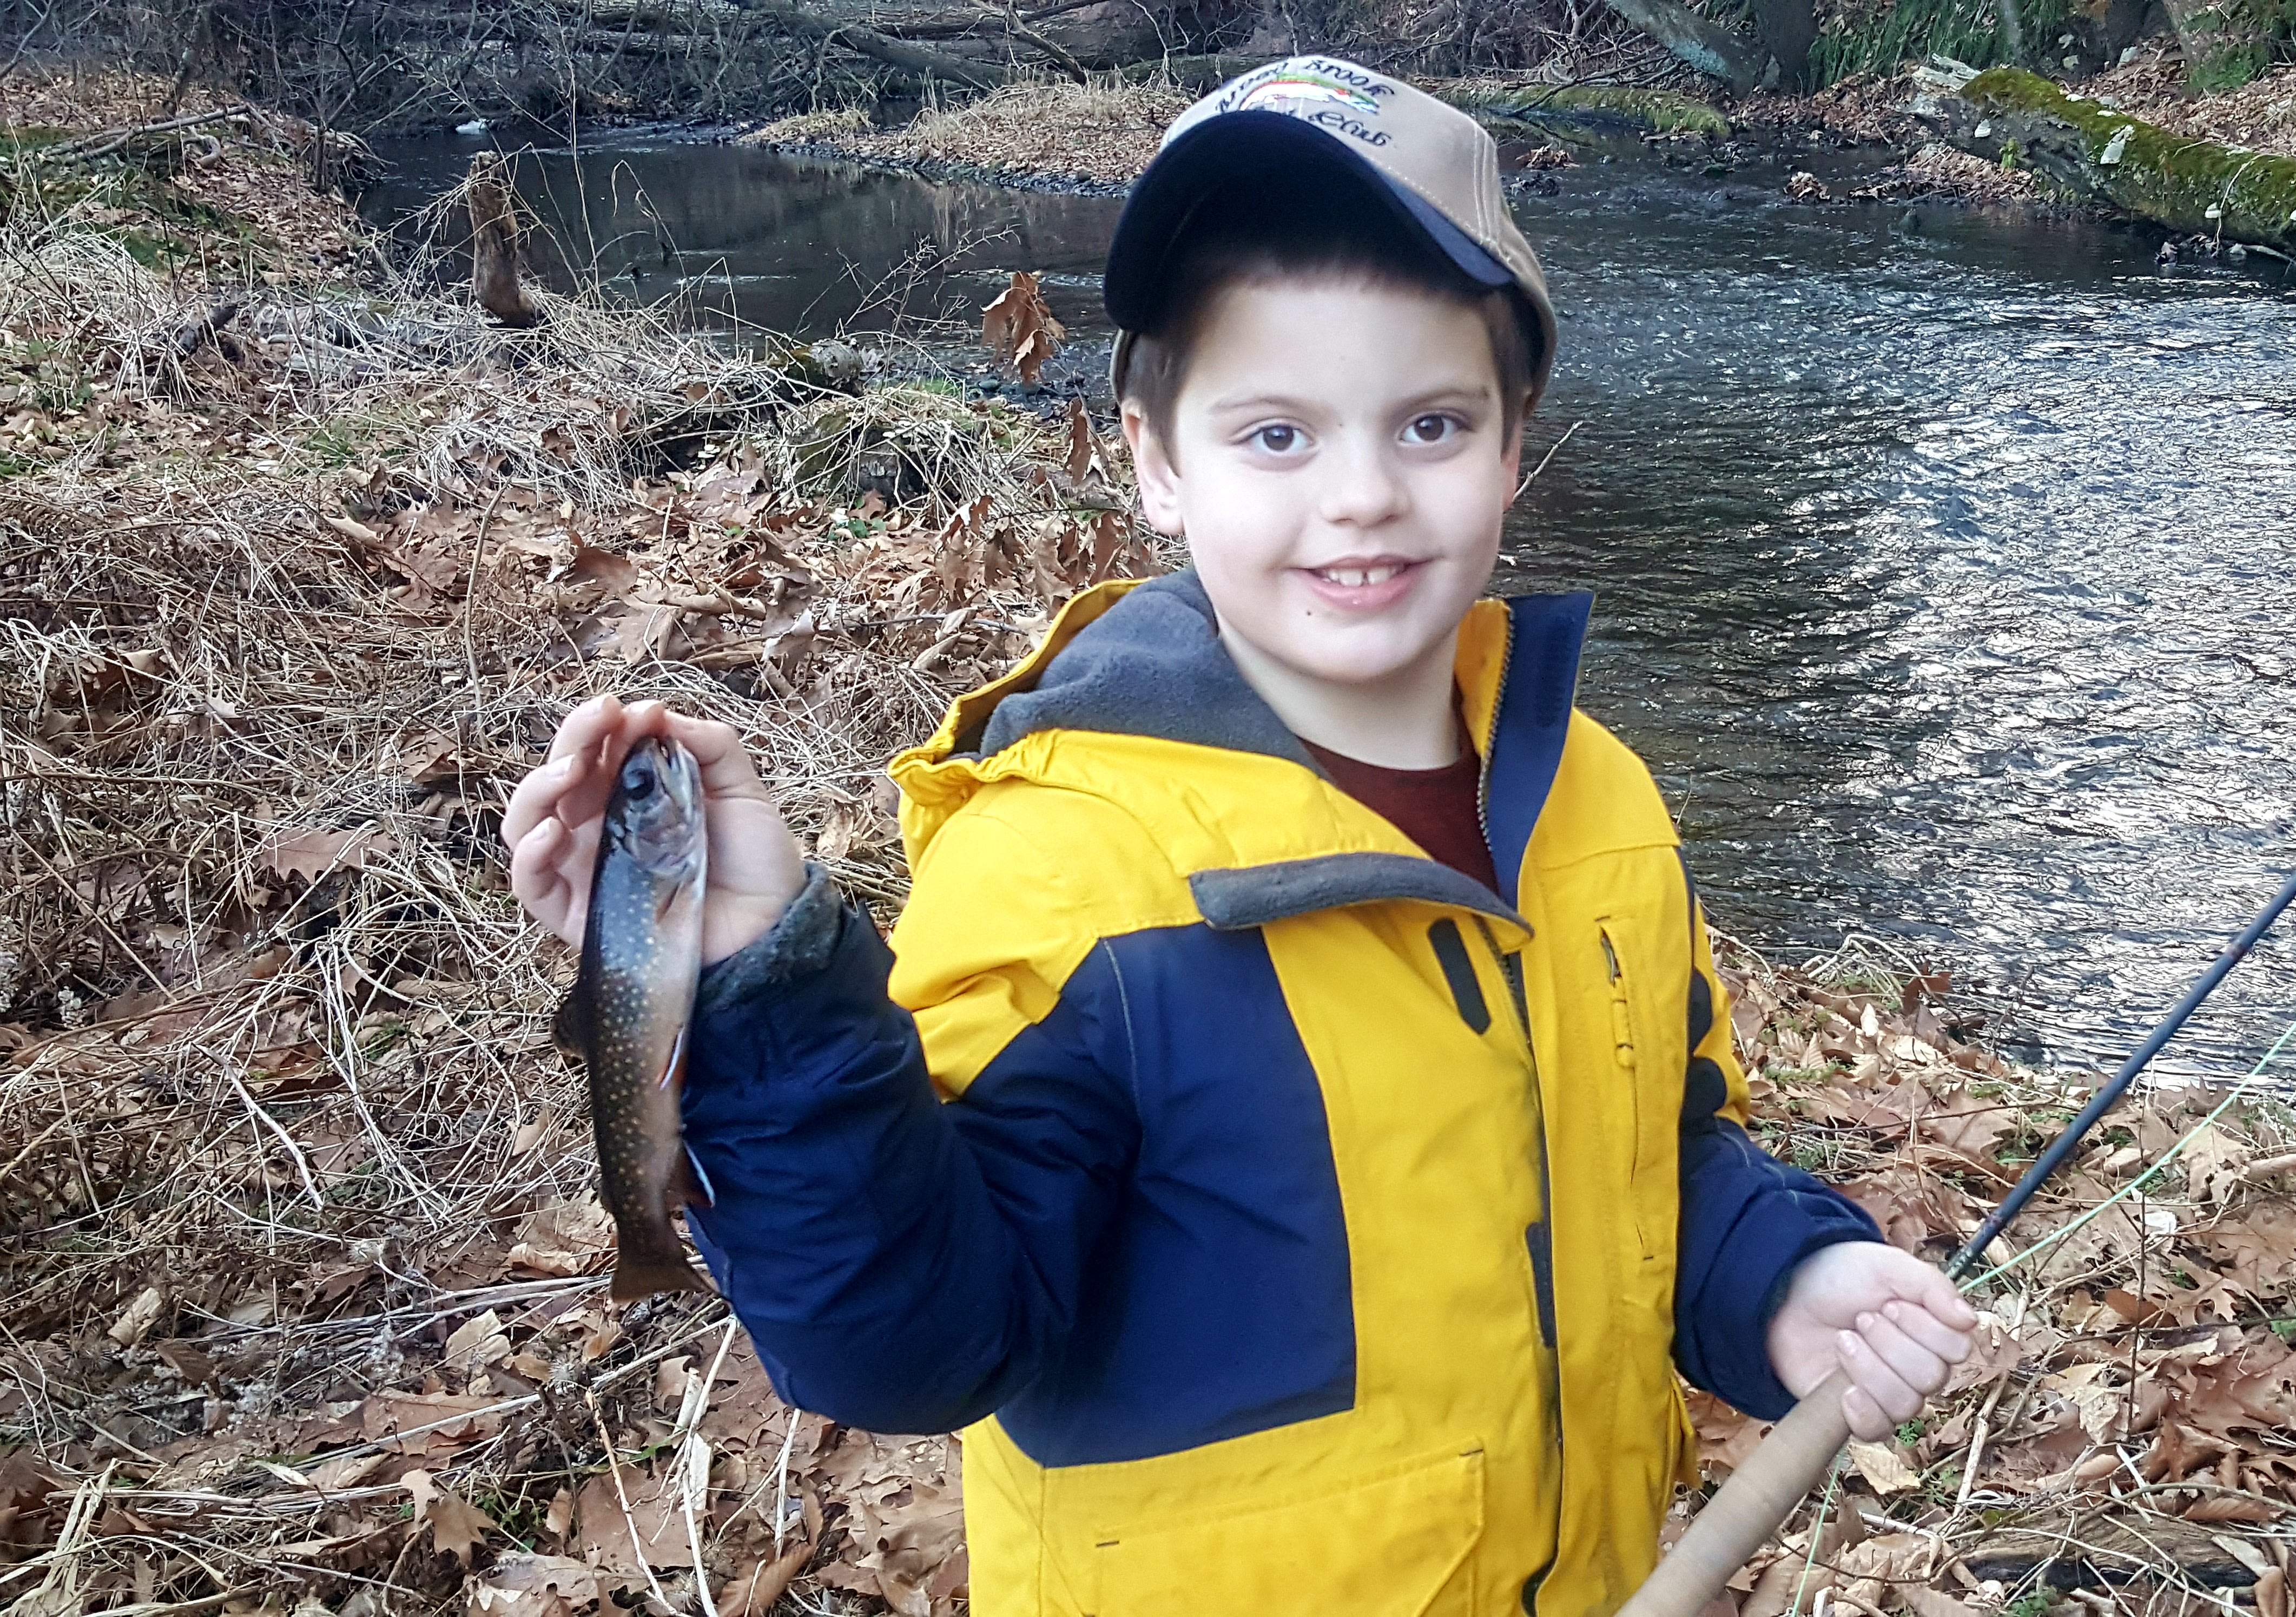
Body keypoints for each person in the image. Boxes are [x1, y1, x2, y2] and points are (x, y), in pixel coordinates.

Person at [501, 56, 1977, 1615]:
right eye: (1277, 435)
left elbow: (1654, 1158)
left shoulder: (1598, 804)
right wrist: (765, 984)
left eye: (1430, 423)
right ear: (1155, 460)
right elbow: (909, 1342)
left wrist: (1782, 1275)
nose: (1363, 496)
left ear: (1513, 446)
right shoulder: (1060, 867)